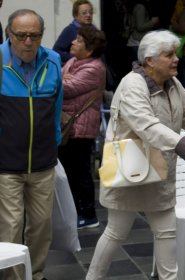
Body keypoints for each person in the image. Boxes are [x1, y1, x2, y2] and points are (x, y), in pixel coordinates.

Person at [85, 30, 185, 280]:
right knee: (116, 232)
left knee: (167, 231)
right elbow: (147, 126)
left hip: (159, 171)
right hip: (130, 170)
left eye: (175, 53)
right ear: (149, 61)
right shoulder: (131, 85)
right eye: (169, 55)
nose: (176, 59)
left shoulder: (172, 84)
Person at [0, 9, 63, 280]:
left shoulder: (53, 61)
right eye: (21, 35)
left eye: (35, 36)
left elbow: (57, 107)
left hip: (42, 162)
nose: (28, 41)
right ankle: (13, 277)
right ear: (9, 35)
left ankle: (34, 274)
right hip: (6, 164)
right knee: (11, 226)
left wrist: (55, 142)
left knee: (41, 225)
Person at [58, 26, 107, 229]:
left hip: (81, 127)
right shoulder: (73, 61)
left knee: (80, 172)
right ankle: (76, 211)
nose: (73, 43)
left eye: (78, 40)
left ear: (89, 48)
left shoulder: (94, 68)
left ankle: (88, 214)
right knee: (70, 170)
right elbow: (62, 78)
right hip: (70, 125)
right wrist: (62, 77)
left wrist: (61, 79)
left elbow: (66, 89)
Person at [53, 0, 95, 64]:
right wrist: (74, 59)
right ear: (76, 15)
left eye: (90, 12)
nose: (88, 15)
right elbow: (56, 51)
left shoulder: (95, 30)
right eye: (84, 13)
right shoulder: (70, 30)